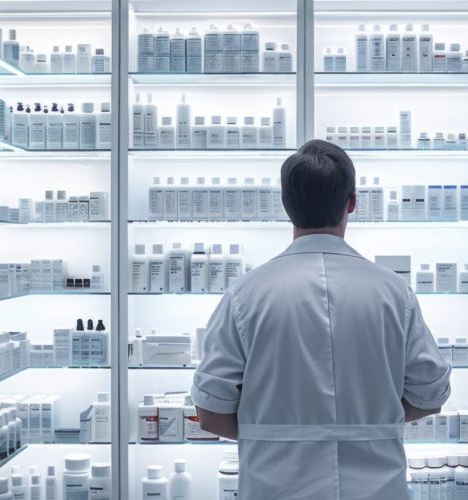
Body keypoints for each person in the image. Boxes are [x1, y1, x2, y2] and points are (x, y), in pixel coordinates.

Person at [191, 139, 452, 499]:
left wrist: (280, 433)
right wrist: (367, 423)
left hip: (275, 488)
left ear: (286, 206)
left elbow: (210, 412)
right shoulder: (393, 293)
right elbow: (430, 394)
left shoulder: (245, 295)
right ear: (352, 202)